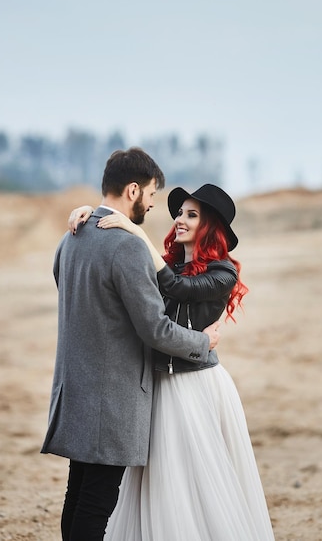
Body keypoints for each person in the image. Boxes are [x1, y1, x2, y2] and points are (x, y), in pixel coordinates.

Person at [69, 183, 276, 540]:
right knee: (159, 481)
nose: (179, 219)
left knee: (196, 480)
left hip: (195, 384)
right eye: (180, 213)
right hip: (155, 385)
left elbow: (180, 288)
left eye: (191, 215)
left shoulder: (223, 272)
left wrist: (133, 229)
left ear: (210, 226)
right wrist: (92, 214)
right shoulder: (164, 263)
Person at [41, 148, 221, 541]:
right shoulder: (127, 247)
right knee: (96, 502)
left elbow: (71, 292)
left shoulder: (70, 237)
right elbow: (155, 329)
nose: (155, 204)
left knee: (78, 493)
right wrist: (202, 342)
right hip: (112, 398)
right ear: (134, 190)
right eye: (153, 194)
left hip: (74, 389)